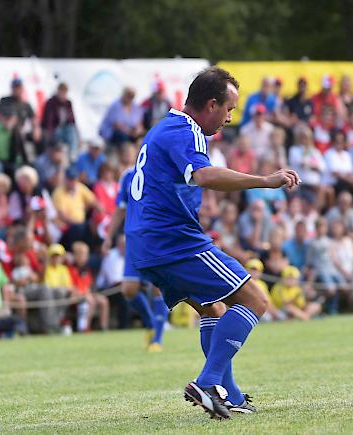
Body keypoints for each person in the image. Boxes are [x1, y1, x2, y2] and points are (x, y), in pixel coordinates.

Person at [124, 66, 300, 419]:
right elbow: (203, 176)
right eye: (229, 109)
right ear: (210, 105)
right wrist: (265, 180)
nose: (229, 119)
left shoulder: (166, 128)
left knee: (213, 309)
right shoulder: (184, 130)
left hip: (147, 243)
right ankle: (207, 382)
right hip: (173, 241)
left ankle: (228, 394)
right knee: (255, 299)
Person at [102, 162, 169, 351]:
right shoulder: (128, 176)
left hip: (157, 238)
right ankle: (149, 323)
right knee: (128, 290)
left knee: (158, 286)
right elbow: (120, 209)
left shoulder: (164, 171)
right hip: (134, 238)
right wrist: (109, 237)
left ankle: (157, 338)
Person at [68, 242, 109, 332]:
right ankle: (85, 327)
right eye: (82, 255)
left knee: (103, 300)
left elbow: (89, 285)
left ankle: (103, 327)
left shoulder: (86, 269)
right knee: (90, 300)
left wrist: (89, 292)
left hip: (87, 294)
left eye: (86, 254)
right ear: (75, 256)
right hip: (76, 297)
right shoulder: (71, 269)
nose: (85, 257)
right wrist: (84, 293)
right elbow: (71, 286)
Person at [41, 83, 79, 160]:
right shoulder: (51, 103)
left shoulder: (68, 103)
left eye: (65, 93)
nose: (63, 95)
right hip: (54, 130)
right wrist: (50, 134)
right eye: (61, 92)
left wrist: (78, 134)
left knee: (72, 129)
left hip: (66, 131)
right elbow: (49, 122)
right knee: (68, 130)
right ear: (58, 91)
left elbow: (72, 120)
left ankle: (73, 154)